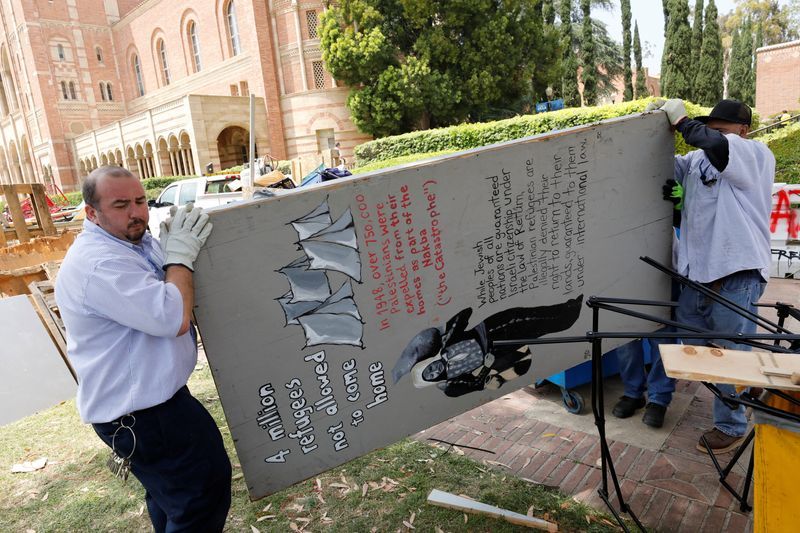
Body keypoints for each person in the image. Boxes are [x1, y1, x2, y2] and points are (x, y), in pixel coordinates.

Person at [55, 166, 231, 532]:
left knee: (172, 500)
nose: (136, 212)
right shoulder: (100, 262)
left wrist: (171, 252)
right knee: (199, 500)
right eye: (121, 205)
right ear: (92, 213)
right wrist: (180, 256)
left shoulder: (130, 240)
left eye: (140, 201)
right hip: (144, 416)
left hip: (153, 406)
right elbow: (172, 317)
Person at [647, 98, 774, 453]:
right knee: (694, 350)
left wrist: (685, 122)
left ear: (743, 130)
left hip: (736, 272)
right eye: (709, 126)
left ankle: (730, 426)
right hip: (696, 273)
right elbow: (665, 170)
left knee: (730, 352)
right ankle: (749, 387)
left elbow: (718, 146)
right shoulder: (695, 160)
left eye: (720, 127)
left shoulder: (755, 153)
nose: (712, 133)